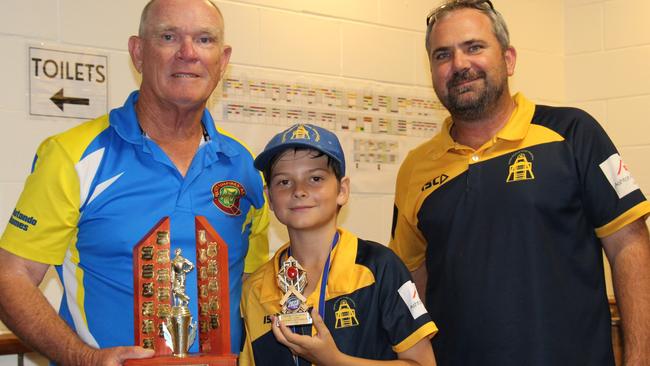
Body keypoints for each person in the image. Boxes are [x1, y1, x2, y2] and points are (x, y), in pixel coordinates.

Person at [0, 0, 268, 364]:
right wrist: (82, 357)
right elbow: (10, 277)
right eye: (169, 36)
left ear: (222, 60)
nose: (188, 53)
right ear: (138, 52)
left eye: (205, 40)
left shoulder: (246, 168)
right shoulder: (72, 156)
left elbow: (255, 284)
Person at [389, 0, 650, 365]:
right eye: (442, 55)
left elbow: (630, 245)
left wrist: (639, 358)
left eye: (474, 47)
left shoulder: (572, 133)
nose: (459, 64)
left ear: (508, 59)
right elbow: (413, 278)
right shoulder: (415, 169)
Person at [240, 123, 437, 366]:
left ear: (342, 190)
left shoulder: (379, 268)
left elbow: (423, 363)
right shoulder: (257, 289)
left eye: (315, 178)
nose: (299, 190)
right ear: (269, 197)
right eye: (284, 182)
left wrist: (334, 361)